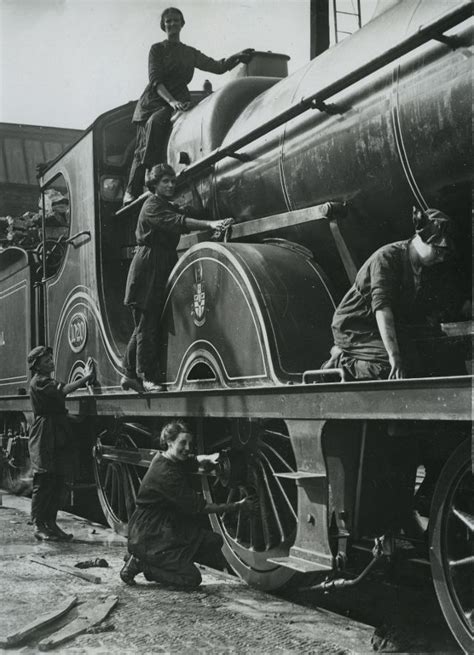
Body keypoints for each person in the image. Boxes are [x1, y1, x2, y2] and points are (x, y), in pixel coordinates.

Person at [121, 164, 233, 393]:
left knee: (146, 323)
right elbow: (178, 222)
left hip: (160, 263)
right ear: (154, 185)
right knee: (147, 325)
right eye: (165, 182)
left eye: (173, 181)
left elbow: (184, 214)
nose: (171, 185)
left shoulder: (164, 204)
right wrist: (210, 224)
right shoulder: (152, 205)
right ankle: (147, 377)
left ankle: (128, 374)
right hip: (149, 267)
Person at [124, 6, 254, 203]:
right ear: (163, 25)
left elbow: (217, 66)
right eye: (168, 21)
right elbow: (155, 80)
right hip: (155, 101)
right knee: (155, 125)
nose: (172, 24)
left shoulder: (189, 52)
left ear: (182, 24)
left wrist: (236, 57)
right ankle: (132, 190)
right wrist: (172, 102)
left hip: (179, 99)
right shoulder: (157, 49)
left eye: (176, 20)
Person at [322, 207, 456, 381]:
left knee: (430, 352)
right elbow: (382, 309)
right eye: (438, 251)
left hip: (380, 327)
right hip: (356, 326)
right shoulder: (387, 258)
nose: (441, 258)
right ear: (421, 239)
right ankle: (342, 361)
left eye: (444, 254)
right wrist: (394, 356)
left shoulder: (421, 265)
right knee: (390, 367)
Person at [120, 420, 257, 588]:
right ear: (169, 442)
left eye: (190, 443)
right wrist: (239, 505)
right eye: (182, 443)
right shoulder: (167, 475)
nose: (187, 448)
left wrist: (206, 458)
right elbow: (201, 507)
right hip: (150, 534)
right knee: (192, 579)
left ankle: (158, 561)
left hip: (161, 527)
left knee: (214, 541)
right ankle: (143, 563)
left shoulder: (164, 458)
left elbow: (189, 461)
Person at [27, 346, 95, 541]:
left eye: (50, 358)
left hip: (56, 430)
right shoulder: (39, 382)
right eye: (46, 360)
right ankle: (39, 525)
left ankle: (51, 523)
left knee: (57, 480)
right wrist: (86, 378)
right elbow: (64, 390)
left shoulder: (45, 380)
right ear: (37, 366)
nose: (51, 362)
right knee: (44, 480)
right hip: (45, 434)